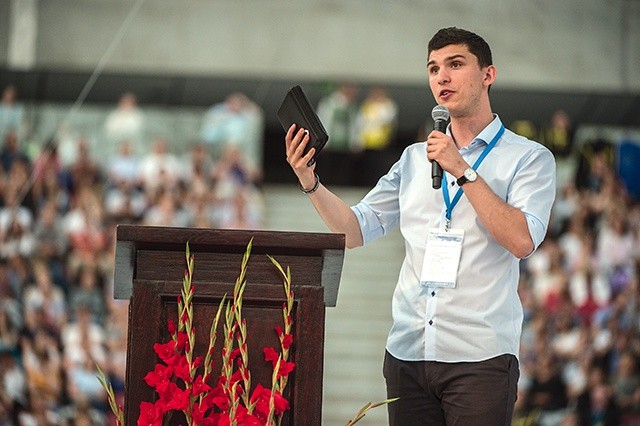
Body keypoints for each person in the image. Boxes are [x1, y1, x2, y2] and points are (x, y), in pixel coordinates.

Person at [284, 27, 556, 425]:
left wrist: (462, 170)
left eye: (455, 64)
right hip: (408, 354)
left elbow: (522, 239)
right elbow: (355, 230)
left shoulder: (528, 158)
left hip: (479, 357)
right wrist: (310, 181)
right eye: (433, 68)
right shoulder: (413, 160)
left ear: (488, 74)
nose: (442, 77)